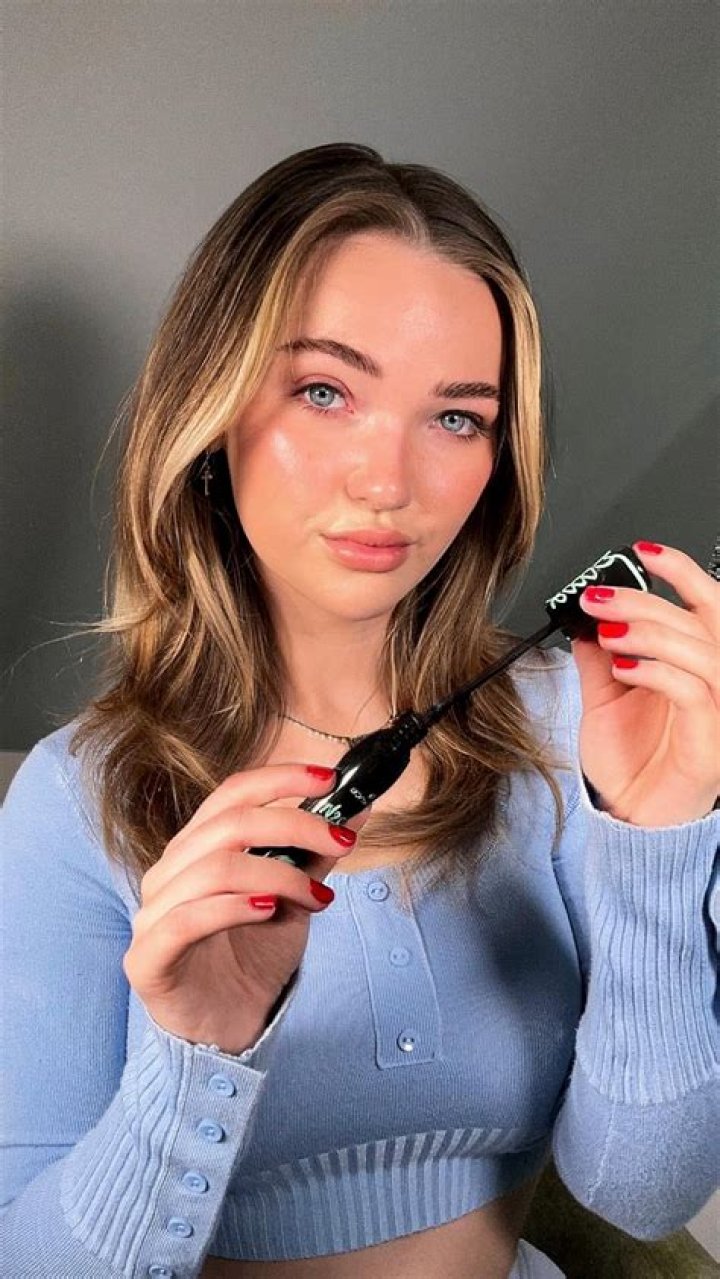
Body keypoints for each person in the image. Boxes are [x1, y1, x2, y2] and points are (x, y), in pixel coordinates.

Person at [1, 142, 718, 1279]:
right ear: (213, 406)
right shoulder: (77, 799)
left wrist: (659, 838)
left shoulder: (577, 722)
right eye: (326, 392)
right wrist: (195, 1051)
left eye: (457, 418)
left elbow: (642, 1190)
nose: (388, 481)